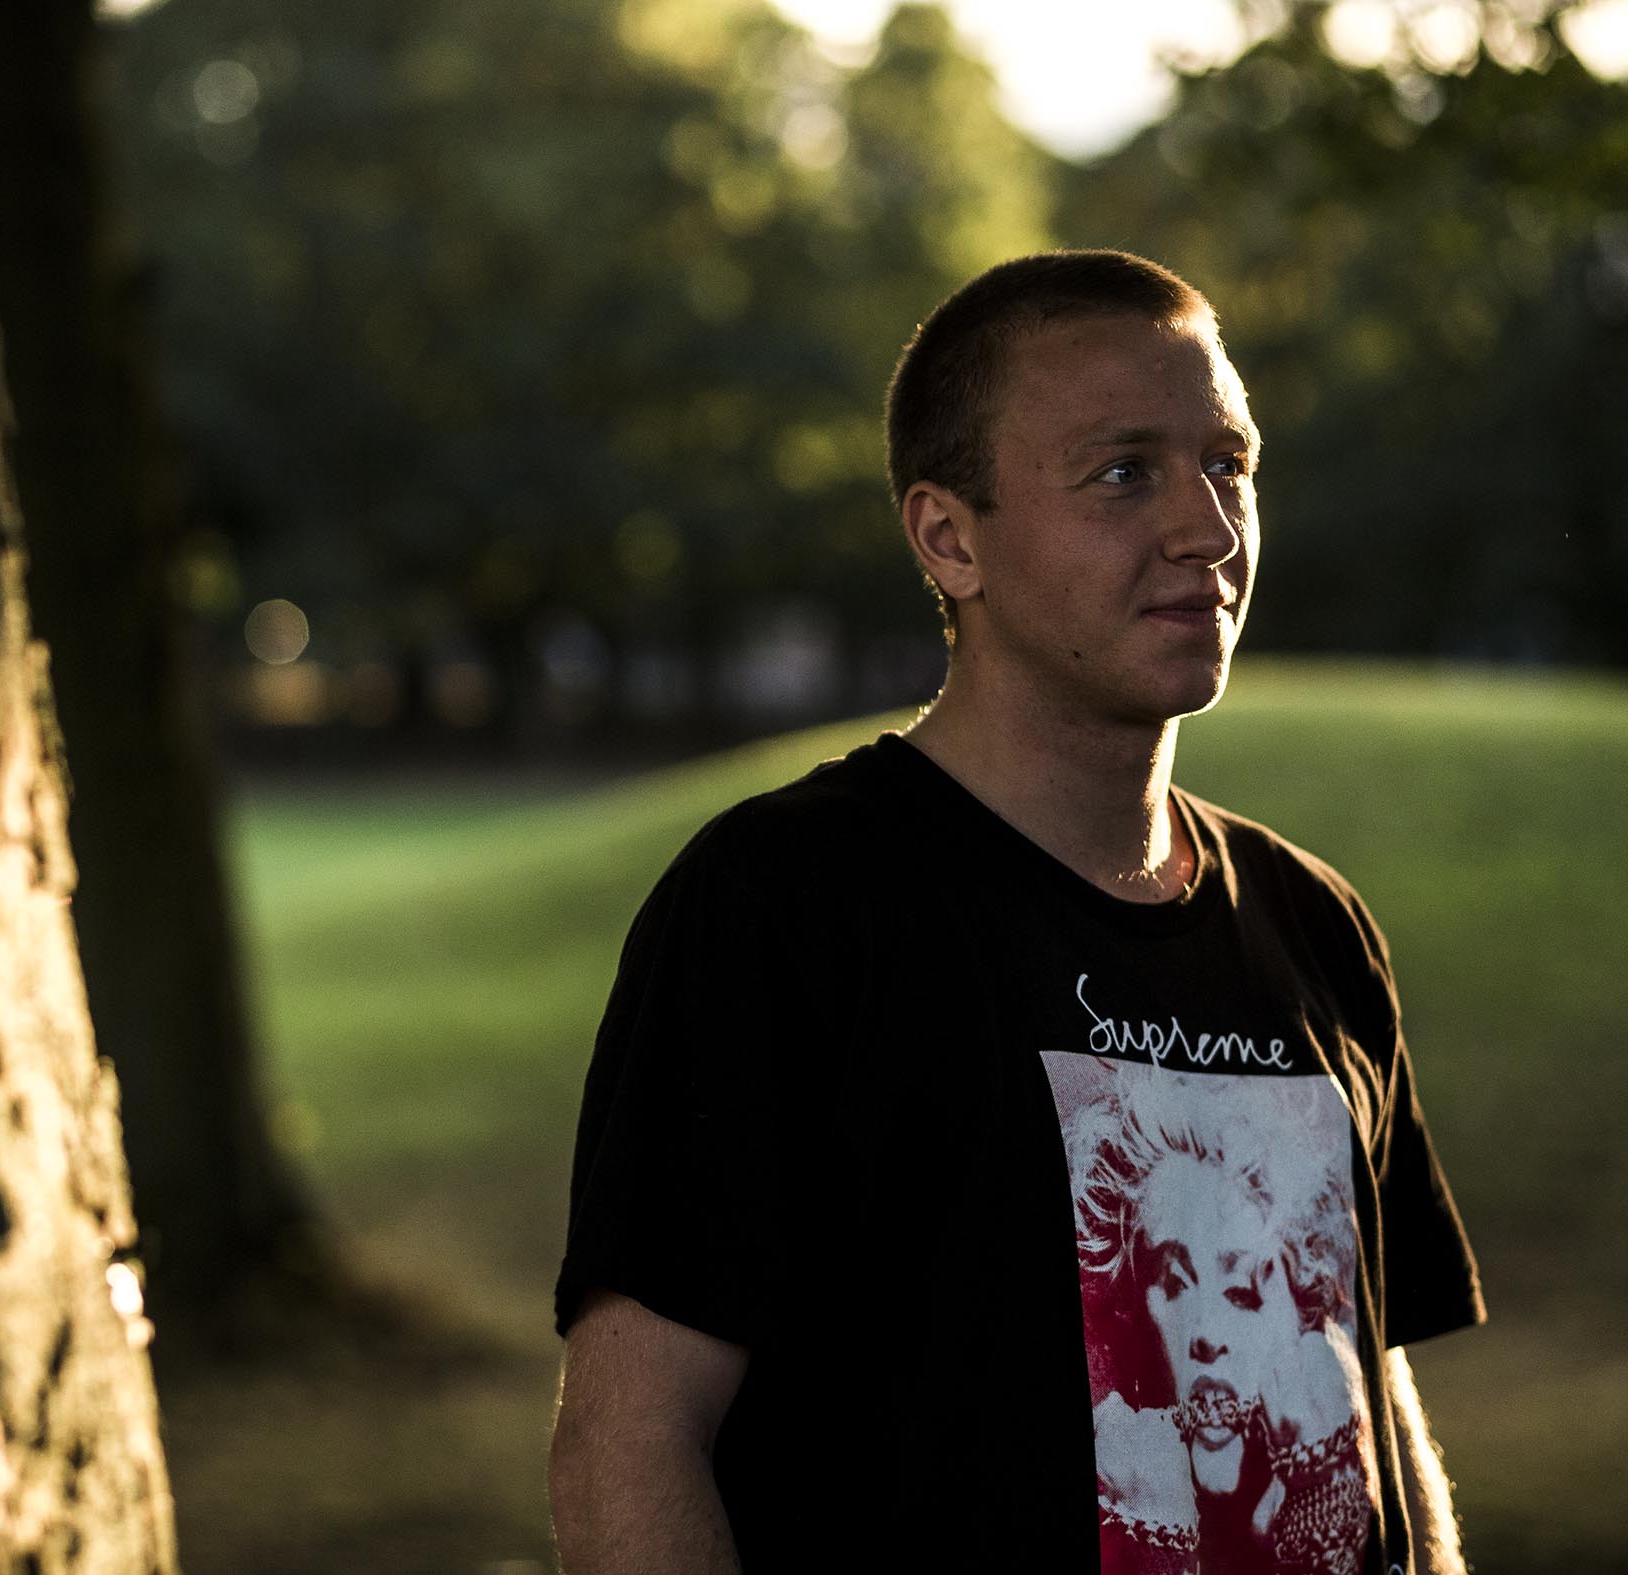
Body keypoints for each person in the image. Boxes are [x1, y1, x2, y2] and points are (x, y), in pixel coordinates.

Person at [548, 251, 1484, 1574]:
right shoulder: (786, 904)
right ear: (949, 535)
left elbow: (1365, 1399)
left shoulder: (1312, 922)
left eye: (1227, 463)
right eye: (1122, 472)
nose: (1205, 530)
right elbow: (628, 1443)